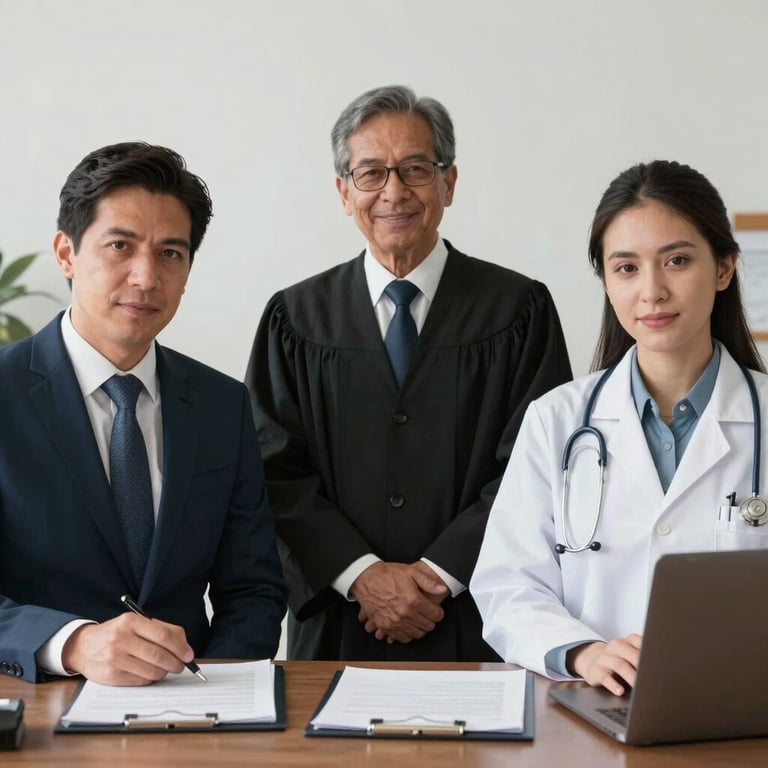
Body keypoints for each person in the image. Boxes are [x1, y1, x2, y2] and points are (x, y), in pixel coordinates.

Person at [246, 85, 572, 661]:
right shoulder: (294, 318)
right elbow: (273, 473)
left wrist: (436, 576)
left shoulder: (518, 310)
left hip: (480, 620)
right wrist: (362, 577)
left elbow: (537, 466)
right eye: (370, 173)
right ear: (343, 192)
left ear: (448, 182)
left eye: (415, 168)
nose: (393, 191)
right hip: (339, 626)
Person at [471, 159, 768, 694]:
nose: (651, 291)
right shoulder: (555, 422)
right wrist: (584, 652)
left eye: (676, 260)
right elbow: (507, 585)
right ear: (606, 281)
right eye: (626, 268)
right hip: (589, 709)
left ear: (724, 268)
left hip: (741, 707)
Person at [0, 142, 287, 685]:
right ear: (66, 252)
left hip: (197, 710)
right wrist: (73, 643)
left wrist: (217, 690)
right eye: (120, 246)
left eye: (169, 254)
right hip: (36, 711)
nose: (145, 276)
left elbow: (253, 588)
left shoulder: (221, 404)